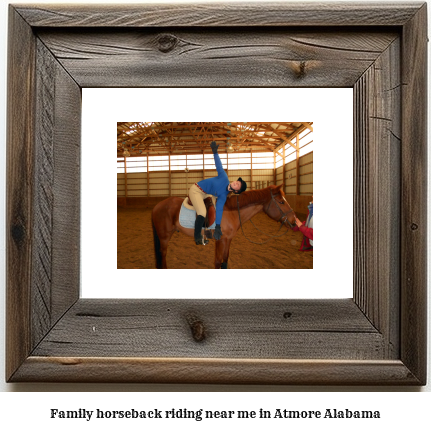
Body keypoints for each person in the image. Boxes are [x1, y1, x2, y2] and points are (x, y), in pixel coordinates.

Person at [189, 141, 247, 245]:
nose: (236, 183)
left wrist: (218, 226)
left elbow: (220, 209)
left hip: (206, 193)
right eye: (237, 182)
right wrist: (215, 152)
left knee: (215, 208)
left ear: (236, 191)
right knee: (202, 212)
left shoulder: (223, 196)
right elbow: (219, 165)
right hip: (196, 190)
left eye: (238, 185)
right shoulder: (224, 177)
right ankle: (197, 236)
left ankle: (208, 230)